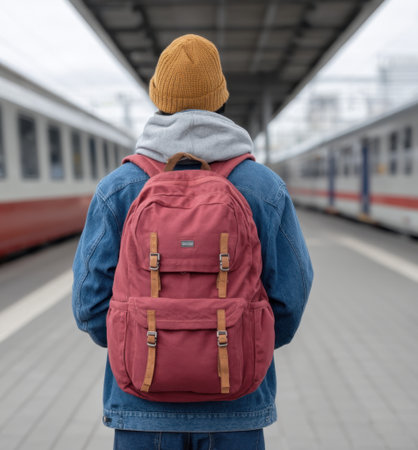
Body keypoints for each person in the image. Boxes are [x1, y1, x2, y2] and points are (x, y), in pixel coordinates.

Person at [72, 34, 313, 450]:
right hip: (236, 405)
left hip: (141, 408)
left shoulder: (119, 189)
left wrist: (151, 342)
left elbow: (89, 306)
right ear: (221, 100)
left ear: (157, 99)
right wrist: (236, 339)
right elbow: (289, 301)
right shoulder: (263, 188)